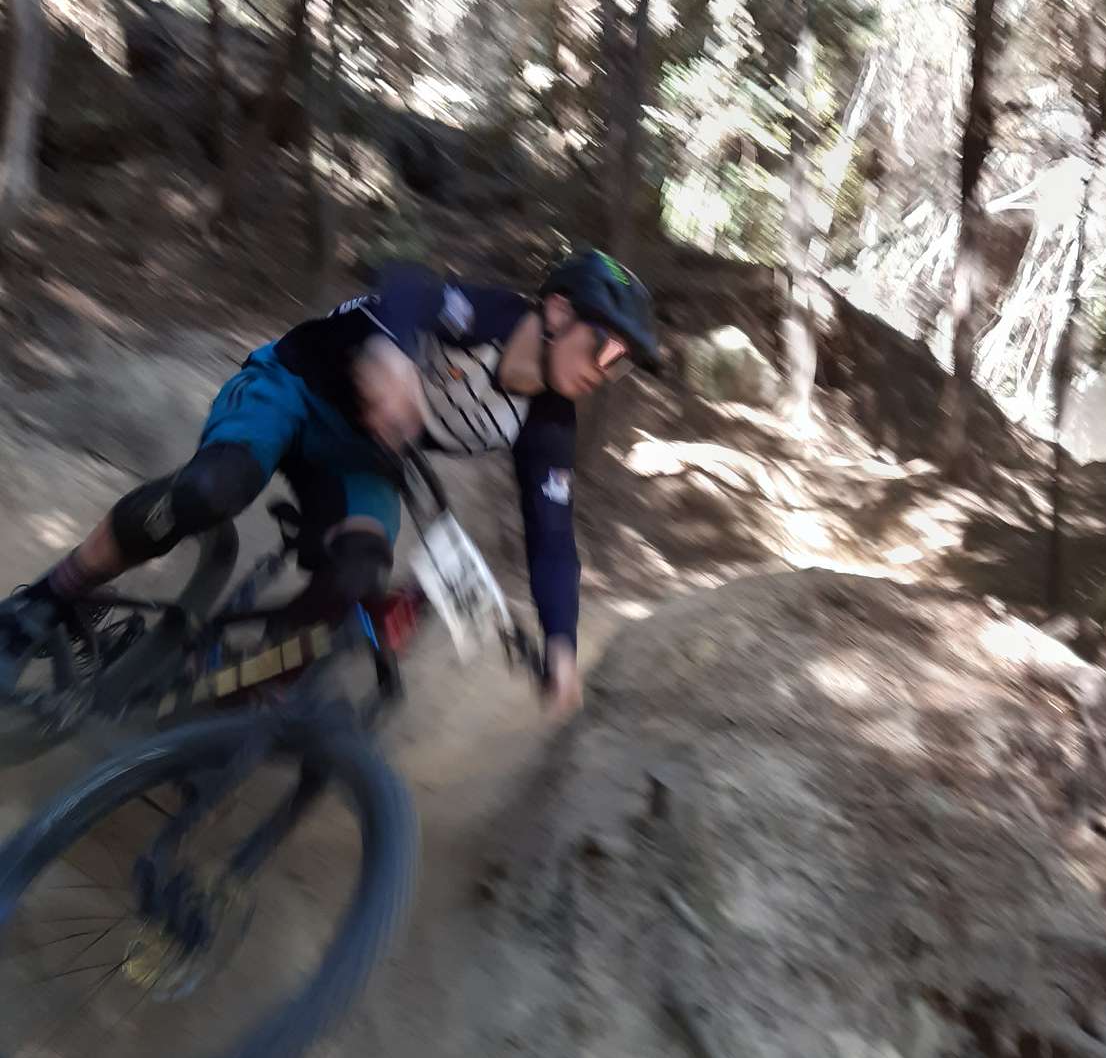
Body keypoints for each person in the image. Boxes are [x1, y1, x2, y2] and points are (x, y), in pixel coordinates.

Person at [0, 248, 661, 718]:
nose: (606, 371)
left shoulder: (547, 423)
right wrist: (393, 351)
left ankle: (221, 705)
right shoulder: (488, 317)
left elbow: (552, 539)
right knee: (211, 491)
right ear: (556, 312)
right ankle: (52, 596)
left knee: (357, 576)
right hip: (291, 386)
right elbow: (408, 283)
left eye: (623, 364)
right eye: (606, 347)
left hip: (361, 457)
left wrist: (562, 643)